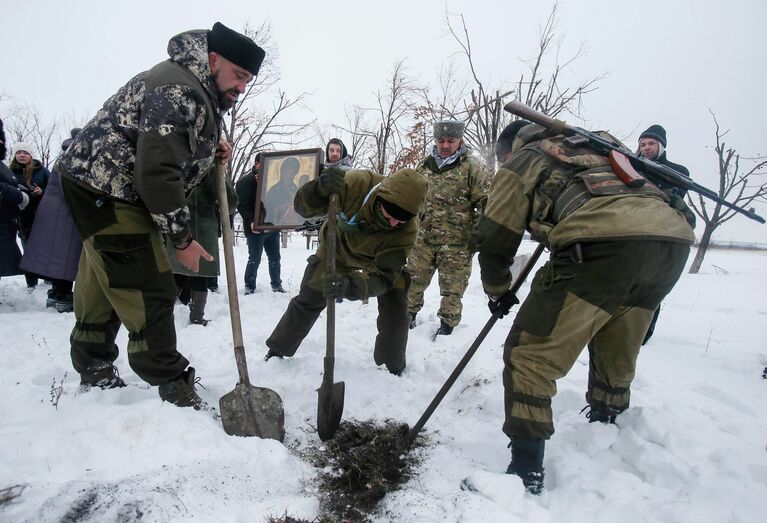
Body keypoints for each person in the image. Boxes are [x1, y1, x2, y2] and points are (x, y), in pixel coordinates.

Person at [473, 120, 695, 494]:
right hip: (669, 245)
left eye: (501, 157)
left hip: (603, 245)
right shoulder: (602, 150)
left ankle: (525, 473)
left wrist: (497, 289)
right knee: (616, 334)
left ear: (511, 147)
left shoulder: (524, 160)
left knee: (530, 354)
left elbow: (497, 234)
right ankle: (608, 425)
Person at [55, 22, 265, 408]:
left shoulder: (195, 84)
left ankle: (94, 364)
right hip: (110, 189)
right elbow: (156, 173)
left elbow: (171, 143)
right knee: (146, 283)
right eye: (238, 76)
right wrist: (182, 240)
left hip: (99, 184)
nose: (241, 87)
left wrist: (208, 148)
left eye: (248, 80)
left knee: (104, 276)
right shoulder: (179, 87)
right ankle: (169, 379)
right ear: (213, 59)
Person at [264, 166, 428, 375]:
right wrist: (318, 191)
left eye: (402, 219)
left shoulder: (407, 230)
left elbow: (384, 276)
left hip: (376, 261)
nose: (395, 222)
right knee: (309, 297)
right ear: (380, 197)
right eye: (390, 214)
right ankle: (277, 350)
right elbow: (303, 209)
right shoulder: (356, 184)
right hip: (336, 248)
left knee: (397, 304)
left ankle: (391, 365)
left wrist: (350, 286)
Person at [407, 119, 490, 336]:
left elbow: (485, 203)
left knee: (453, 290)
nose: (445, 145)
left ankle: (447, 328)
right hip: (423, 239)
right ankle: (407, 317)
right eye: (441, 140)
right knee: (412, 281)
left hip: (457, 243)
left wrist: (479, 233)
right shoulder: (423, 167)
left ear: (460, 140)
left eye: (450, 141)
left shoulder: (472, 167)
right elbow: (412, 199)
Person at [636, 124, 692, 344]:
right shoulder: (629, 163)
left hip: (659, 231)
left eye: (651, 143)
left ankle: (644, 333)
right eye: (643, 144)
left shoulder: (677, 170)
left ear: (661, 146)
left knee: (651, 284)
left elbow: (675, 198)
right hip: (633, 228)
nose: (646, 147)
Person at [19, 128, 83, 312]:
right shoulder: (75, 158)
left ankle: (56, 293)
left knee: (57, 254)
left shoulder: (65, 156)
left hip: (54, 212)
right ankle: (63, 296)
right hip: (65, 213)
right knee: (65, 256)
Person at [168, 168, 237, 325]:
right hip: (202, 226)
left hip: (178, 224)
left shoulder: (178, 158)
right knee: (199, 272)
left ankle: (163, 313)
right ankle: (196, 315)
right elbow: (231, 202)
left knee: (178, 273)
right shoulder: (211, 167)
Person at [235, 152, 285, 294]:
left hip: (272, 226)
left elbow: (279, 202)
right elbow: (242, 205)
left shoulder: (273, 182)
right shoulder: (246, 182)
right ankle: (250, 285)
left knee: (275, 258)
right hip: (255, 228)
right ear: (257, 164)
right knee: (255, 258)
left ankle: (276, 284)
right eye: (263, 163)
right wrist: (251, 221)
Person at [9, 142, 50, 288]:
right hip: (21, 219)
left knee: (45, 250)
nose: (22, 155)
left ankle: (49, 281)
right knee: (28, 252)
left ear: (31, 155)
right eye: (19, 152)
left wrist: (42, 191)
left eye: (25, 153)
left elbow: (54, 189)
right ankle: (31, 284)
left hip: (42, 216)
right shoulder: (9, 173)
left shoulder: (43, 171)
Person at [0, 118, 29, 284]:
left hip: (7, 222)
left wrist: (23, 191)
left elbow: (11, 183)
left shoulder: (3, 166)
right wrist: (19, 196)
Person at [264, 156, 302, 225]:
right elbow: (268, 212)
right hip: (277, 223)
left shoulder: (296, 189)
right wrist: (283, 208)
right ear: (282, 171)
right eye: (287, 170)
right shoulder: (274, 190)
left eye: (292, 171)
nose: (290, 173)